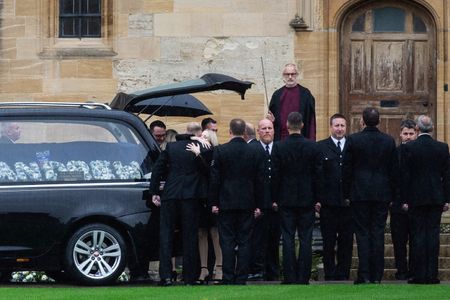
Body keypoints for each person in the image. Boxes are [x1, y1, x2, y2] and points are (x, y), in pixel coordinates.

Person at [343, 107, 397, 284]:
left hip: (359, 193)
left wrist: (346, 193)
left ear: (362, 121)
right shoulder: (388, 141)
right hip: (382, 193)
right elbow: (393, 170)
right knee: (378, 232)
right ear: (379, 121)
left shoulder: (353, 140)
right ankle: (376, 275)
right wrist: (393, 195)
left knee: (363, 234)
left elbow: (346, 169)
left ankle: (364, 274)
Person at [149, 122, 207, 286]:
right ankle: (190, 277)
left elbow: (158, 170)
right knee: (190, 237)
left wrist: (154, 192)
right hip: (191, 196)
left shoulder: (170, 148)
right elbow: (206, 171)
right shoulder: (198, 147)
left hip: (170, 195)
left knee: (166, 235)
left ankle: (166, 276)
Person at [209, 118, 263, 285]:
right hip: (247, 202)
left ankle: (228, 276)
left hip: (226, 202)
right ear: (245, 133)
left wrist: (214, 202)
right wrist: (259, 204)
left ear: (230, 131)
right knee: (245, 241)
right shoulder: (254, 151)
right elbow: (260, 181)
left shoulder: (220, 151)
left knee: (227, 241)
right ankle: (241, 277)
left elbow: (215, 179)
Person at [271, 112, 320, 284]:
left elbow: (275, 175)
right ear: (302, 125)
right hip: (307, 198)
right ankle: (303, 276)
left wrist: (274, 197)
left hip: (286, 198)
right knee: (306, 238)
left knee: (288, 238)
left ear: (286, 124)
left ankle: (290, 276)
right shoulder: (313, 147)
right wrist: (317, 198)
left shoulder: (278, 147)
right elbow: (317, 175)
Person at [400, 115, 450, 284]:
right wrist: (447, 199)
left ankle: (419, 275)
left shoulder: (409, 148)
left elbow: (405, 176)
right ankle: (432, 275)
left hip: (416, 198)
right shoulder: (442, 148)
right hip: (436, 197)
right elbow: (447, 176)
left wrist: (405, 199)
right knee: (433, 236)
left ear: (418, 129)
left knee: (418, 235)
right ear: (433, 129)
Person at [316, 113, 353, 281]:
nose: (339, 129)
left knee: (346, 241)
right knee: (329, 241)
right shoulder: (321, 147)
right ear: (331, 127)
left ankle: (343, 273)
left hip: (348, 203)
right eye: (336, 125)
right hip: (328, 204)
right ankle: (330, 274)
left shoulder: (352, 145)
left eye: (342, 126)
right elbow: (316, 175)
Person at [186, 128, 223, 284]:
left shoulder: (215, 153)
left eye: (206, 138)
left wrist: (198, 154)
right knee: (201, 233)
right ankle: (204, 269)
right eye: (201, 137)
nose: (202, 140)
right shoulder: (196, 153)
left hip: (212, 197)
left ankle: (219, 267)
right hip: (200, 197)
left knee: (215, 232)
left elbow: (210, 173)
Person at [248, 118, 281, 281]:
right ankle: (257, 270)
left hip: (276, 205)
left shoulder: (280, 149)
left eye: (269, 128)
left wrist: (278, 200)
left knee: (274, 240)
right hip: (259, 206)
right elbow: (250, 180)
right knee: (258, 240)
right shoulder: (252, 150)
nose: (267, 131)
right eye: (264, 129)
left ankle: (273, 272)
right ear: (258, 132)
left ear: (274, 130)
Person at [390, 119, 417, 280]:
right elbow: (392, 179)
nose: (408, 137)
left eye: (411, 134)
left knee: (415, 240)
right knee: (399, 242)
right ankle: (401, 270)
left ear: (416, 134)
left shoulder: (420, 153)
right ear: (400, 134)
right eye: (405, 134)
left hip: (416, 204)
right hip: (397, 205)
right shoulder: (395, 153)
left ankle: (414, 270)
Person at [267, 63, 316, 141]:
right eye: (287, 74)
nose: (290, 77)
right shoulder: (277, 95)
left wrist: (312, 141)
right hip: (281, 140)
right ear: (283, 76)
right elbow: (271, 120)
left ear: (297, 75)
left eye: (292, 74)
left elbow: (311, 121)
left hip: (302, 139)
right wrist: (271, 121)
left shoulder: (306, 94)